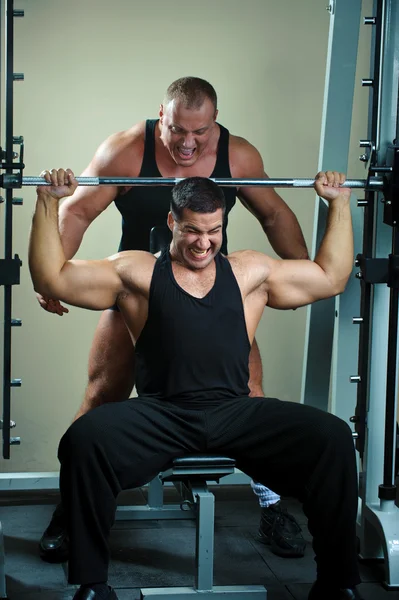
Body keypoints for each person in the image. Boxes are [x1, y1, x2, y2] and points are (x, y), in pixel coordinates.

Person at [29, 168, 363, 600]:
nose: (203, 242)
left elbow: (331, 276)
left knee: (333, 437)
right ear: (172, 222)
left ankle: (337, 583)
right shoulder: (137, 272)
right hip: (163, 413)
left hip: (236, 412)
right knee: (83, 440)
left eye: (213, 230)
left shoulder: (249, 273)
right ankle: (93, 584)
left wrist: (338, 203)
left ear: (223, 224)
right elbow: (51, 278)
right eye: (191, 230)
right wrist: (48, 202)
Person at [38, 76, 310, 562]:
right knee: (103, 395)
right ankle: (70, 511)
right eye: (177, 130)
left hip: (214, 299)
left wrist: (306, 270)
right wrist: (48, 278)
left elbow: (273, 215)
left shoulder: (239, 156)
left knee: (249, 394)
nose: (188, 143)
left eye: (200, 132)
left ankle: (270, 506)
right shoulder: (125, 151)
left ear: (215, 123)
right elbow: (76, 213)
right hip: (137, 294)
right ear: (160, 117)